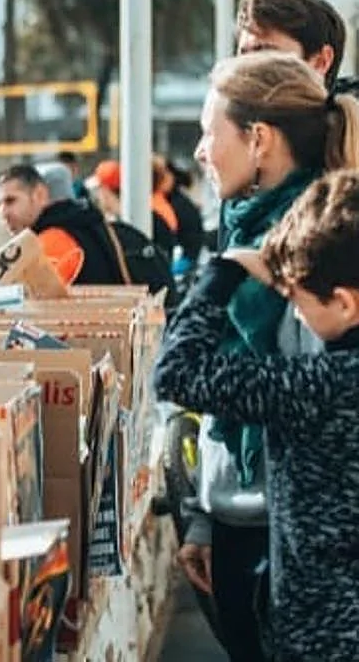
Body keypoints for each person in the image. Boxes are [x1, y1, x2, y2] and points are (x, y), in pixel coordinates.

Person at [175, 0, 351, 661]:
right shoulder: (245, 217)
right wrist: (206, 514)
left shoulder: (312, 237)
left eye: (263, 55)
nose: (198, 152)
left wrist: (220, 279)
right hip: (250, 515)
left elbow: (204, 375)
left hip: (298, 542)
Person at [153, 168, 359, 661]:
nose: (298, 316)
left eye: (297, 301)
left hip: (323, 637)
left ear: (346, 303)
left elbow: (176, 373)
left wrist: (225, 273)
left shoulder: (318, 387)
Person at [0, 163, 127, 286]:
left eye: (11, 201)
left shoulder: (51, 241)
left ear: (40, 194)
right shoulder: (92, 225)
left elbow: (32, 302)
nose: (3, 213)